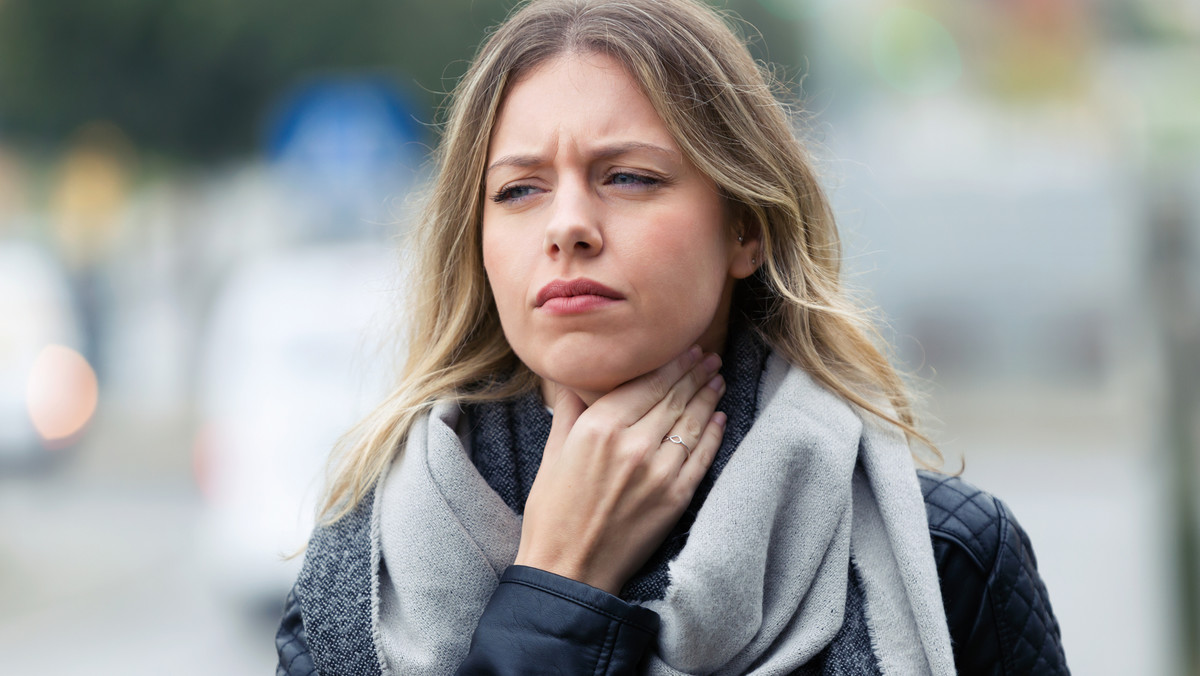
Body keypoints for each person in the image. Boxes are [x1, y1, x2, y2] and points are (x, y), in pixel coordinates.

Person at [275, 0, 1069, 673]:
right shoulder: (362, 574)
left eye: (628, 177)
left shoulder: (946, 556)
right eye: (519, 190)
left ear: (745, 229)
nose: (569, 227)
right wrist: (556, 584)